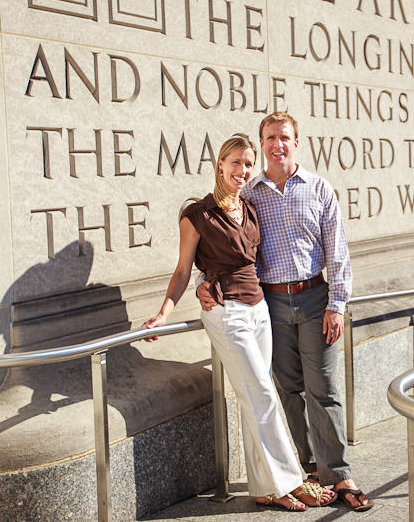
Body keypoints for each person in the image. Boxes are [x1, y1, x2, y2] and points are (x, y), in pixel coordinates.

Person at [143, 135, 336, 512]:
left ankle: (264, 487)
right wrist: (165, 311)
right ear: (220, 163)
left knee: (255, 396)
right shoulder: (196, 214)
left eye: (249, 164)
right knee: (263, 394)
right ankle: (292, 481)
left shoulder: (249, 207)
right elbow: (183, 269)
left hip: (258, 306)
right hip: (224, 309)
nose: (243, 171)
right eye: (236, 163)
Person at [198, 112, 373, 512]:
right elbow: (224, 246)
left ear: (297, 142)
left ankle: (338, 473)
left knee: (323, 389)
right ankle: (302, 471)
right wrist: (204, 281)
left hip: (315, 299)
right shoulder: (250, 193)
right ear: (262, 145)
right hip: (269, 304)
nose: (278, 144)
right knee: (286, 391)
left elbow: (337, 251)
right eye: (270, 137)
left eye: (285, 137)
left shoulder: (318, 188)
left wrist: (337, 305)